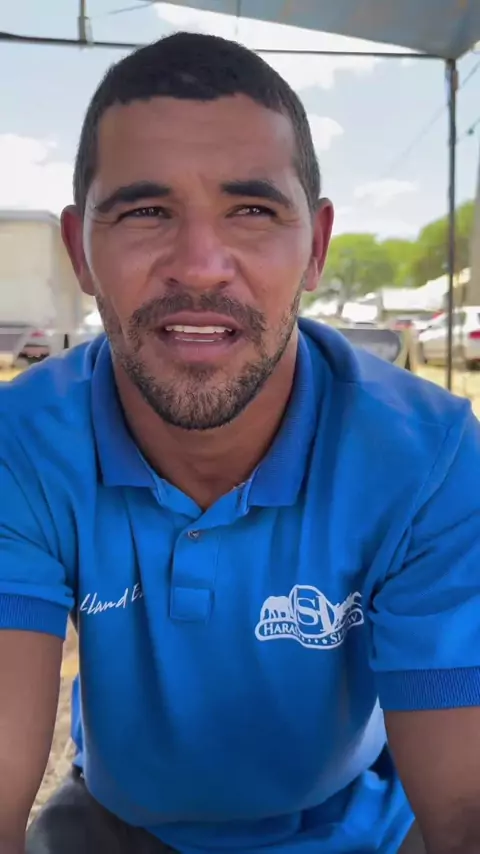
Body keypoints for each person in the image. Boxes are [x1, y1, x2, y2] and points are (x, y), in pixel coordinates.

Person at [1, 30, 480, 854]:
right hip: (119, 826)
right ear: (81, 250)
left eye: (252, 211)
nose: (199, 266)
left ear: (316, 247)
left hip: (361, 827)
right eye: (146, 211)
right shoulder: (21, 444)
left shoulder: (428, 458)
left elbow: (464, 809)